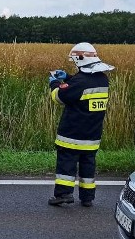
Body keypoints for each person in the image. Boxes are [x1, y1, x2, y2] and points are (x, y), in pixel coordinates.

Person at [47, 42, 114, 208]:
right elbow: (81, 85)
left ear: (80, 59)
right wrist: (68, 77)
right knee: (88, 166)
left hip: (72, 134)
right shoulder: (102, 79)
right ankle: (87, 198)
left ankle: (63, 194)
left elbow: (60, 97)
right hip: (92, 134)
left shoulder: (80, 82)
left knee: (66, 164)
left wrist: (54, 83)